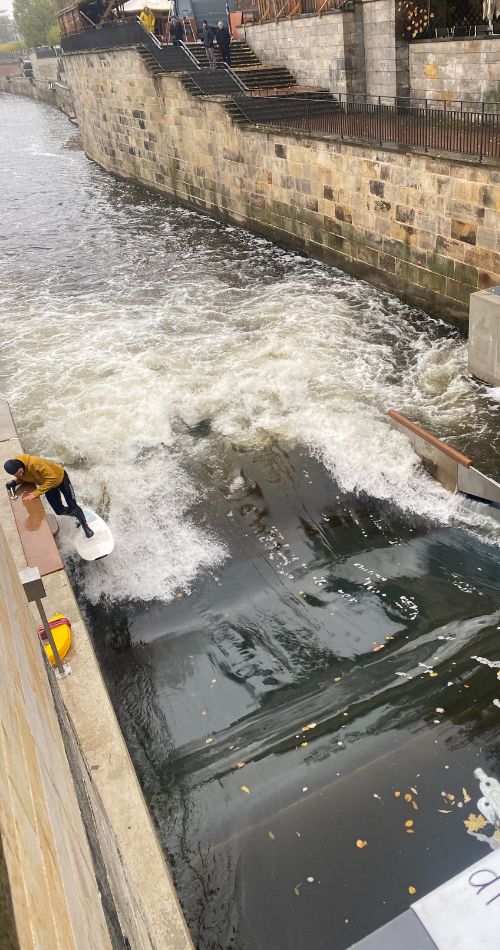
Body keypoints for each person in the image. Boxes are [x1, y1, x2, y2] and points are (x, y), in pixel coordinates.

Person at [4, 455, 94, 538]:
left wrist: (37, 492)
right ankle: (76, 515)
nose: (20, 475)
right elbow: (23, 477)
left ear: (21, 465)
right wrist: (15, 482)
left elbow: (53, 478)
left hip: (60, 478)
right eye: (16, 475)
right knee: (59, 511)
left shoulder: (35, 463)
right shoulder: (19, 470)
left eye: (20, 472)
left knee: (72, 506)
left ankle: (85, 525)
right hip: (47, 484)